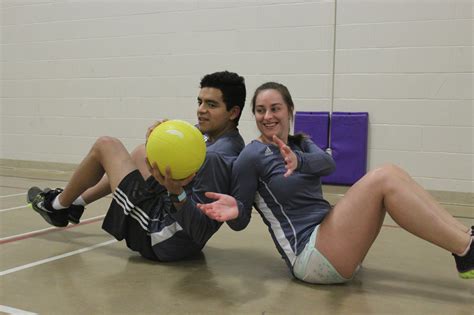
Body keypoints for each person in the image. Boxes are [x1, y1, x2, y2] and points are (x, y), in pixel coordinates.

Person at [197, 81, 474, 282]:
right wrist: (235, 210)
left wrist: (298, 160)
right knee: (385, 177)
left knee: (393, 173)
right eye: (260, 110)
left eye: (275, 108)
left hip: (330, 238)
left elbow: (328, 165)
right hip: (310, 256)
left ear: (290, 110)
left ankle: (466, 241)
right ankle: (465, 250)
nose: (268, 116)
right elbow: (239, 221)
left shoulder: (301, 142)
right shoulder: (250, 155)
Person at [27, 70, 246, 262]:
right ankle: (75, 203)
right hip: (176, 232)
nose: (201, 110)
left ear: (233, 112)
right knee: (143, 151)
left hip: (160, 238)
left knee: (106, 145)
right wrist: (159, 138)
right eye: (200, 102)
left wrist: (176, 193)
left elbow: (200, 229)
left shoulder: (217, 158)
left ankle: (56, 206)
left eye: (211, 105)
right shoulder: (221, 139)